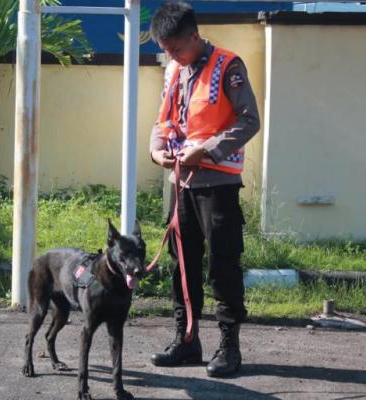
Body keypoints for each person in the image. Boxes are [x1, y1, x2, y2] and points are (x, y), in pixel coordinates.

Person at [148, 1, 260, 377]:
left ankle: (230, 346)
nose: (172, 57)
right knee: (182, 265)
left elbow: (249, 121)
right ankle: (187, 340)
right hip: (181, 182)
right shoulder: (174, 70)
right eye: (166, 51)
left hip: (218, 185)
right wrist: (155, 148)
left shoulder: (229, 66)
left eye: (176, 49)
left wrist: (207, 150)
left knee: (222, 264)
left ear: (194, 36)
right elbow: (165, 120)